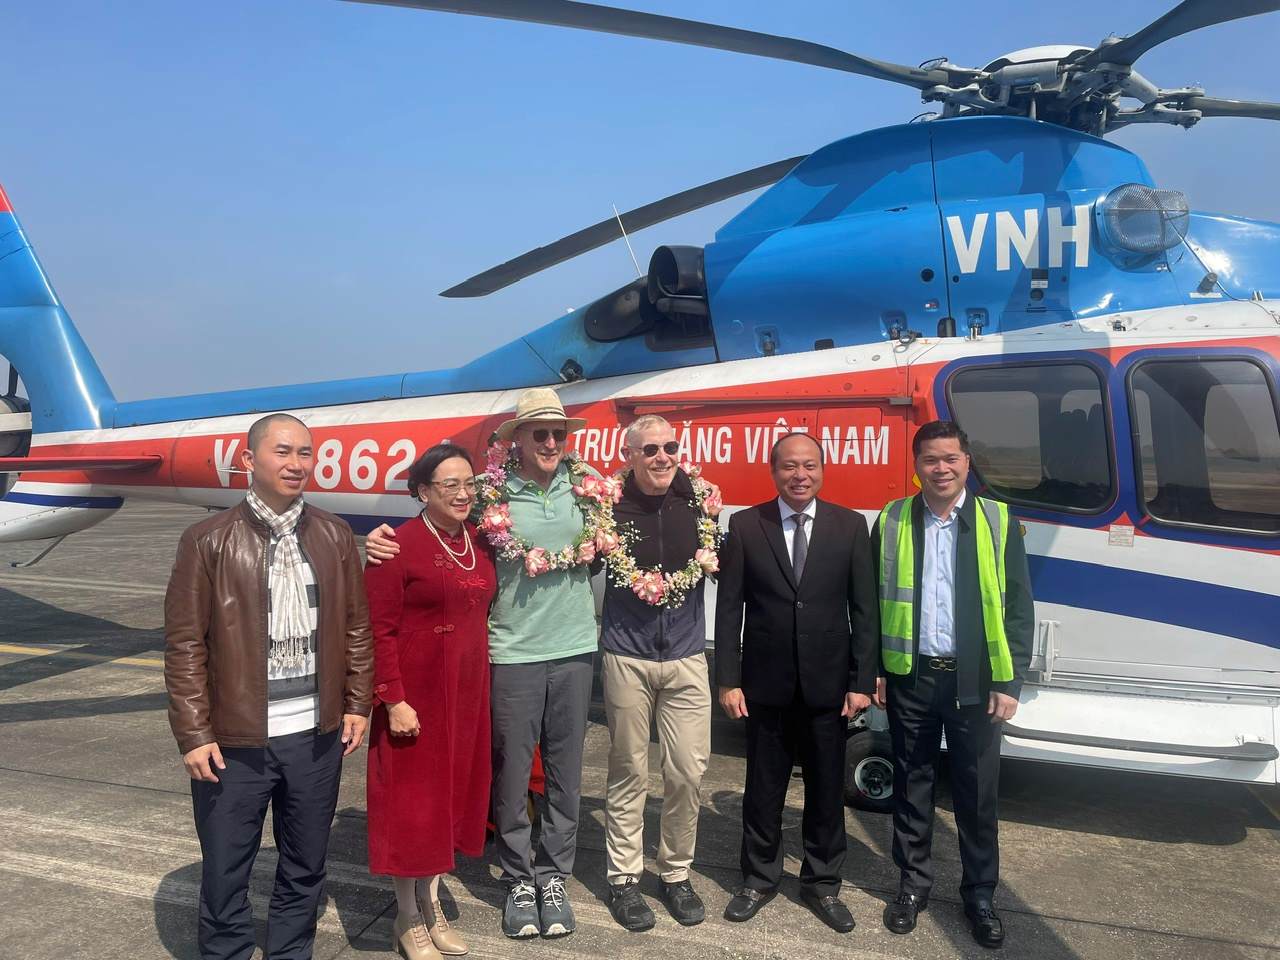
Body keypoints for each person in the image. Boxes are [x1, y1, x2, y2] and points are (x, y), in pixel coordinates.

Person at [365, 387, 596, 940]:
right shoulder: (490, 497)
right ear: (514, 440)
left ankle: (550, 878)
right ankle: (511, 879)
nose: (549, 442)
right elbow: (383, 618)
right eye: (537, 432)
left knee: (556, 777)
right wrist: (372, 541)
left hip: (552, 654)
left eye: (557, 433)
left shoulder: (591, 492)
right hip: (502, 658)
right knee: (504, 779)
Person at [164, 413, 373, 960]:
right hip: (234, 743)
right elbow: (185, 643)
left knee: (305, 865)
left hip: (315, 735)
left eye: (305, 453)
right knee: (226, 871)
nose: (297, 464)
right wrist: (193, 733)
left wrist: (356, 702)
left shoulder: (333, 536)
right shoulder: (206, 540)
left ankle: (289, 952)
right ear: (249, 460)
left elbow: (356, 626)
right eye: (283, 452)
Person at [872, 419, 1035, 949]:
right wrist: (875, 669)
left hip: (976, 683)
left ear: (967, 461)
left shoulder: (998, 520)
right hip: (913, 678)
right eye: (930, 460)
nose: (941, 469)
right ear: (915, 466)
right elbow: (875, 603)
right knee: (912, 785)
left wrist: (1010, 681)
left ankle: (980, 895)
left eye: (951, 459)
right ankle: (913, 886)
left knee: (977, 794)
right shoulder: (893, 518)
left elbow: (1016, 605)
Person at [713, 432, 877, 933]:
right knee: (763, 787)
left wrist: (861, 679)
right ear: (773, 471)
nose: (799, 475)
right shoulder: (744, 525)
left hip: (830, 687)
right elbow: (729, 609)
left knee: (828, 789)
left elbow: (864, 610)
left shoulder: (850, 527)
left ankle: (822, 883)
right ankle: (759, 878)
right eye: (788, 466)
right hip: (765, 684)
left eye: (808, 465)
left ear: (822, 470)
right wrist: (728, 678)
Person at [364, 443, 497, 960]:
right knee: (413, 806)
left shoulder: (483, 540)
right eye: (450, 486)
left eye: (469, 484)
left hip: (465, 693)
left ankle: (432, 899)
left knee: (448, 801)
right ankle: (407, 915)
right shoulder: (396, 546)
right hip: (415, 696)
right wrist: (392, 699)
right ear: (423, 491)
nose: (464, 494)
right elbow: (379, 630)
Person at [599, 415, 721, 932]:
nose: (662, 457)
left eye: (670, 446)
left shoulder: (700, 499)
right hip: (627, 655)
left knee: (687, 773)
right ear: (630, 454)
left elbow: (723, 557)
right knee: (629, 769)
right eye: (649, 449)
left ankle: (674, 873)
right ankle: (624, 879)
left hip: (688, 655)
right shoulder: (606, 506)